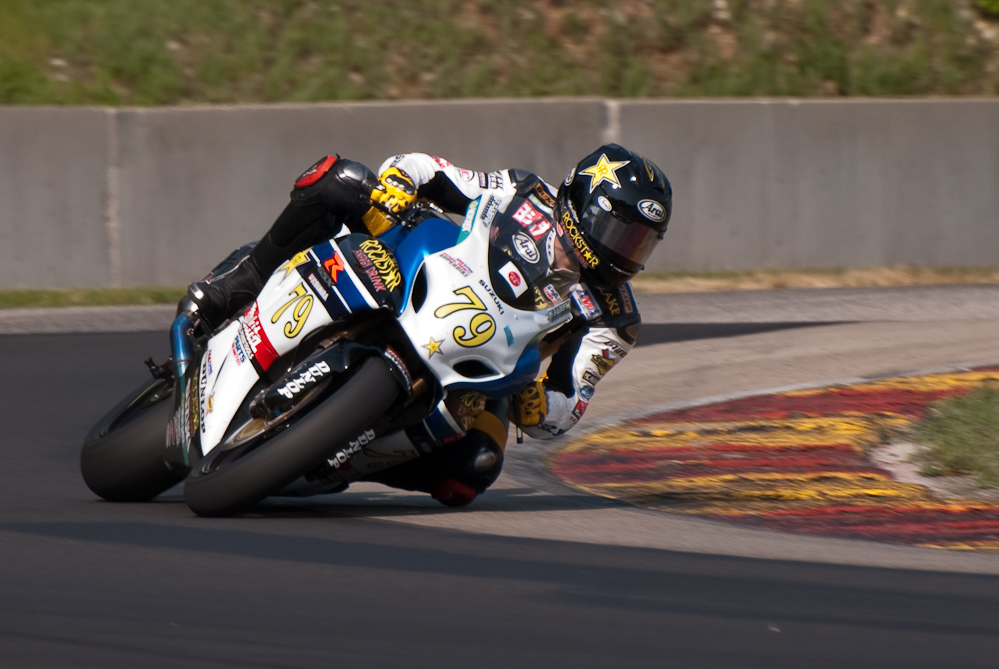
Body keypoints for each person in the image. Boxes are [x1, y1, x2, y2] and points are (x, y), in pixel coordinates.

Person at [187, 144, 672, 506]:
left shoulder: (616, 318)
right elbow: (430, 169)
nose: (624, 250)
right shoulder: (523, 192)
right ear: (579, 202)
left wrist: (539, 404)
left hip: (493, 365)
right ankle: (244, 278)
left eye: (640, 243)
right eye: (619, 232)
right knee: (341, 178)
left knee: (473, 470)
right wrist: (399, 183)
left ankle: (343, 457)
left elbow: (569, 406)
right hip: (429, 267)